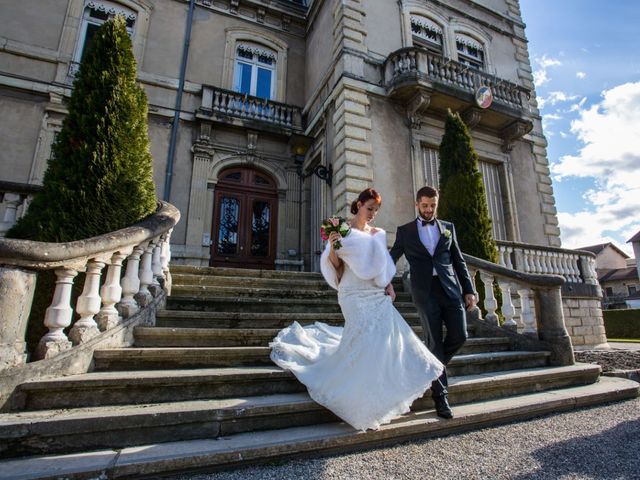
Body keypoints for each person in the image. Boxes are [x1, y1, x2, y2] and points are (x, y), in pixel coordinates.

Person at [270, 188, 444, 431]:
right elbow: (336, 268)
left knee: (386, 338)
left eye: (376, 210)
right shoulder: (341, 229)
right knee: (360, 339)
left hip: (375, 292)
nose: (373, 213)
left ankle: (378, 395)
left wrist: (389, 286)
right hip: (351, 292)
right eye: (369, 208)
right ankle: (358, 399)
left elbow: (382, 266)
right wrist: (332, 247)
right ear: (359, 205)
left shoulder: (379, 234)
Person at [389, 185, 477, 419]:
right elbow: (391, 258)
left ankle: (428, 369)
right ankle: (441, 397)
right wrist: (381, 279)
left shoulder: (448, 228)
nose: (429, 210)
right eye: (425, 206)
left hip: (450, 289)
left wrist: (469, 289)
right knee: (434, 341)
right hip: (424, 291)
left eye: (433, 206)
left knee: (460, 335)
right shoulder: (405, 231)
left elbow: (459, 261)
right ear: (417, 204)